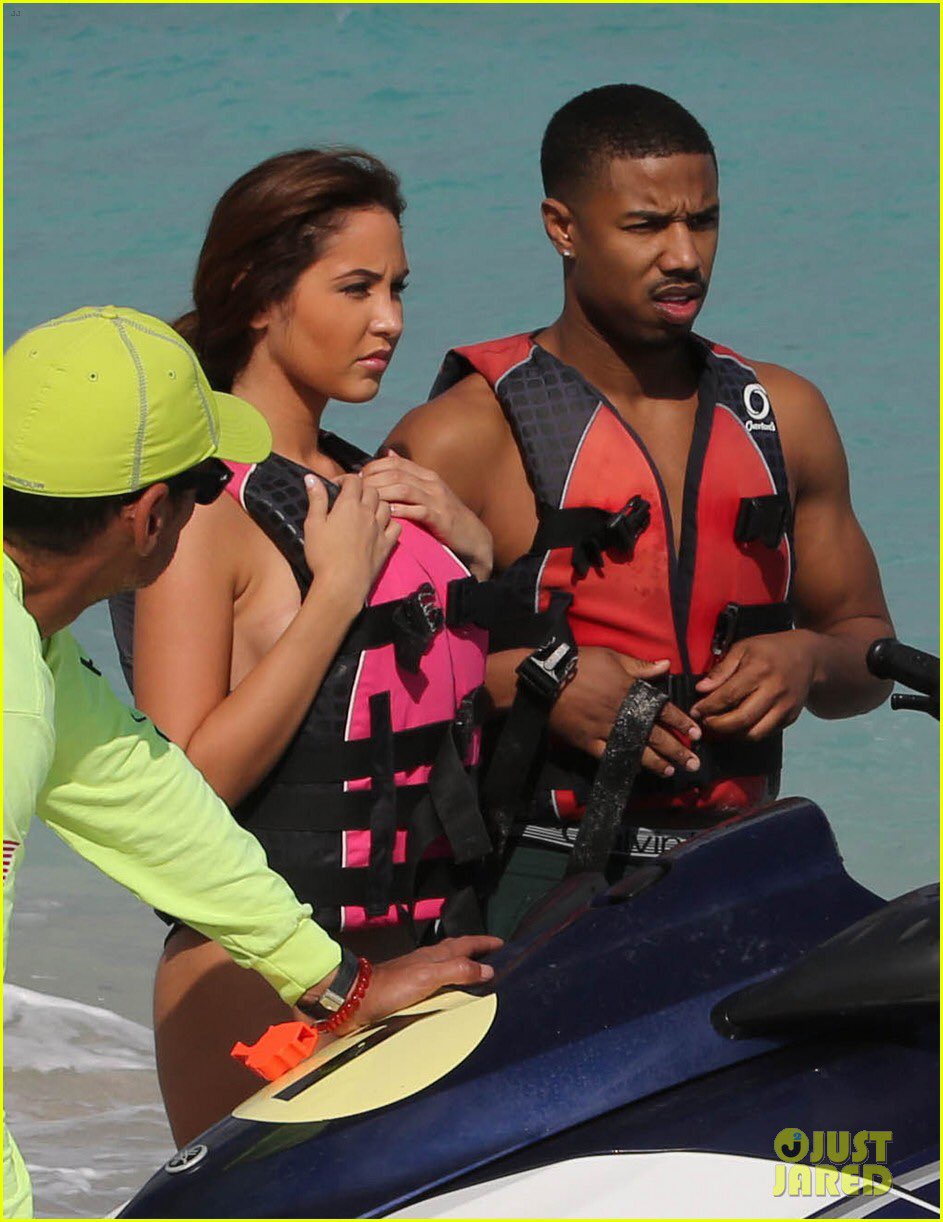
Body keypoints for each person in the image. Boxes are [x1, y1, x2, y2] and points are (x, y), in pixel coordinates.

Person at [2, 304, 499, 1219]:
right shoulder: (10, 700)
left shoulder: (33, 642)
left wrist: (340, 987)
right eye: (207, 485)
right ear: (151, 516)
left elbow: (154, 804)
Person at [385, 84, 895, 936]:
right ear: (562, 227)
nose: (683, 255)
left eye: (703, 221)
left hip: (735, 868)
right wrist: (542, 679)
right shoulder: (462, 436)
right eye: (646, 226)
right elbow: (366, 684)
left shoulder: (784, 417)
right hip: (526, 871)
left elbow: (865, 654)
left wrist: (807, 658)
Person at [112, 150, 497, 1144]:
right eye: (356, 288)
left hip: (425, 962)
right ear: (257, 296)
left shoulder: (376, 486)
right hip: (258, 990)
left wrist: (475, 552)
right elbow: (181, 794)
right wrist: (335, 594)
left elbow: (445, 714)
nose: (391, 320)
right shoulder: (206, 505)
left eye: (398, 288)